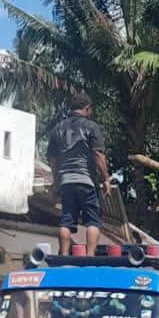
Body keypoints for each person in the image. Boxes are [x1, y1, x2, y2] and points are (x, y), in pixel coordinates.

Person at [46, 92, 111, 255]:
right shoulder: (91, 127)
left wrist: (56, 181)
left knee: (66, 221)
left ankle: (64, 254)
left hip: (66, 182)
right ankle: (90, 256)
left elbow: (53, 160)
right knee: (92, 221)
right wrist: (106, 179)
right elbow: (98, 155)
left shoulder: (57, 129)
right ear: (87, 109)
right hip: (86, 181)